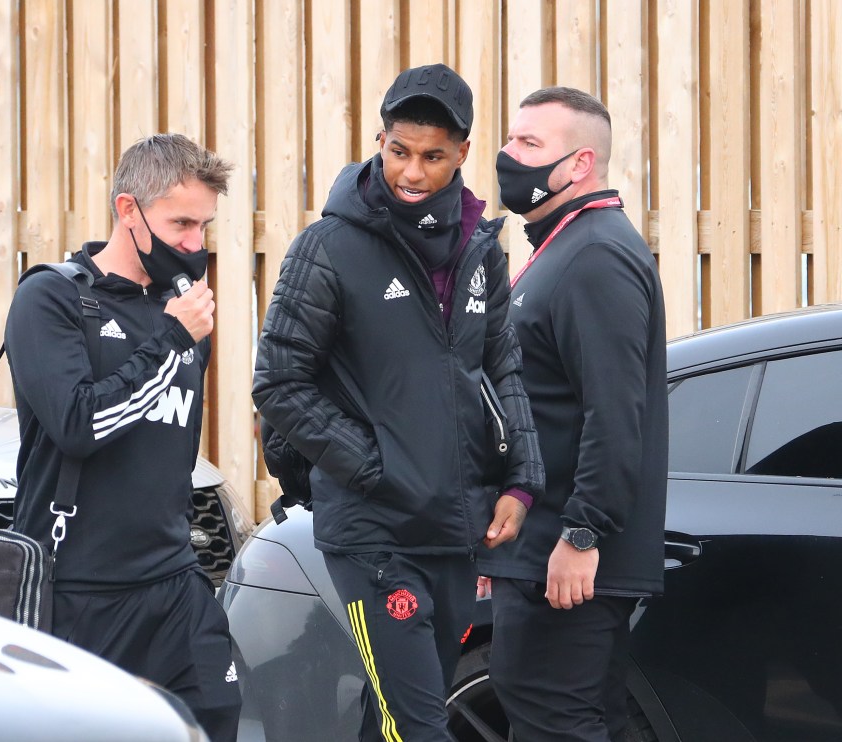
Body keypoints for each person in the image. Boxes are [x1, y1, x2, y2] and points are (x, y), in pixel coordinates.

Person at [252, 63, 545, 742]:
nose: (412, 172)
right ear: (380, 141)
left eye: (433, 157)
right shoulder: (327, 248)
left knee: (396, 717)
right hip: (373, 531)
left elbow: (502, 366)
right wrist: (377, 468)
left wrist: (522, 482)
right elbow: (278, 383)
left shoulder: (480, 251)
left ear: (463, 155)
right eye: (399, 152)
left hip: (456, 524)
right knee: (416, 726)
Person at [4, 134, 242, 741]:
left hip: (175, 582)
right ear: (128, 210)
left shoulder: (181, 310)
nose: (195, 244)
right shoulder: (52, 297)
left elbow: (176, 446)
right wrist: (169, 341)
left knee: (215, 719)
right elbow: (81, 426)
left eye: (204, 226)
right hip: (81, 591)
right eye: (180, 223)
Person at [476, 87, 668, 741]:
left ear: (581, 164)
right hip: (539, 551)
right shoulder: (563, 246)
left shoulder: (594, 256)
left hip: (565, 560)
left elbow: (615, 412)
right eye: (510, 139)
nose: (509, 154)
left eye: (530, 144)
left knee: (553, 717)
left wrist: (581, 535)